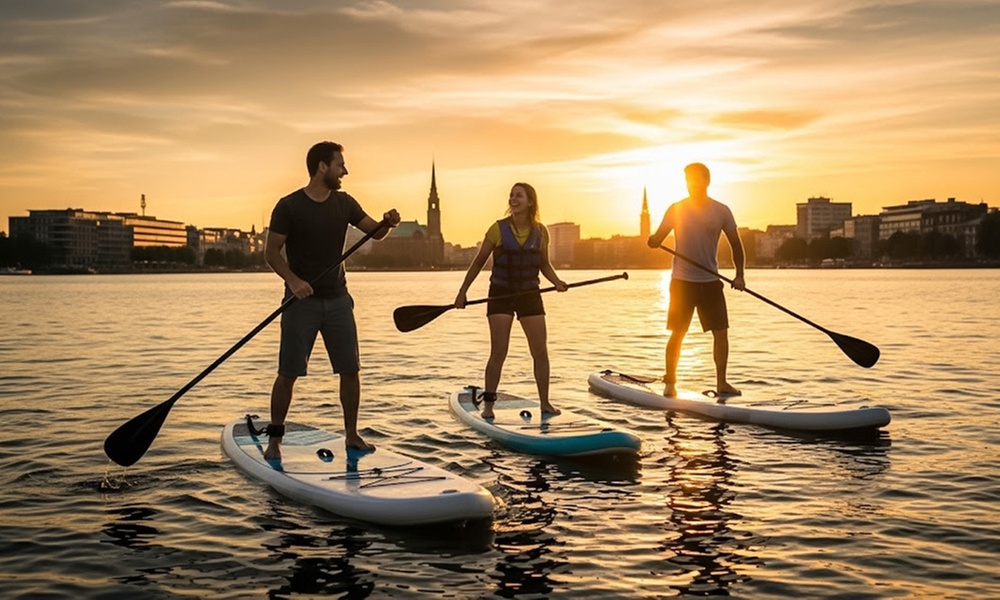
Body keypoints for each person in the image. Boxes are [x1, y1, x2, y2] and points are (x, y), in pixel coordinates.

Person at [262, 141, 400, 461]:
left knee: (350, 370)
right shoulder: (289, 206)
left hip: (338, 300)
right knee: (289, 372)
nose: (345, 171)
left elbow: (375, 232)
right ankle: (275, 440)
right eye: (340, 165)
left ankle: (351, 435)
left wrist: (388, 222)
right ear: (322, 166)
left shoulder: (345, 203)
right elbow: (270, 253)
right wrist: (294, 282)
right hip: (301, 303)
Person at [454, 182, 568, 419]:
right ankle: (488, 407)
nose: (513, 199)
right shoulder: (497, 229)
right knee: (499, 352)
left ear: (529, 202)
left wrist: (557, 281)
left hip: (529, 295)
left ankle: (545, 403)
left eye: (519, 196)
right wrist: (462, 292)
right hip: (501, 295)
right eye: (511, 195)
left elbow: (543, 264)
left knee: (540, 352)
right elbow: (478, 262)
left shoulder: (541, 232)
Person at [648, 162, 745, 398]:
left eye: (695, 179)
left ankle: (722, 383)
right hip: (682, 281)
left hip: (711, 281)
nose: (691, 184)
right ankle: (670, 383)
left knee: (721, 332)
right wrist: (653, 240)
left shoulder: (721, 211)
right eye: (688, 180)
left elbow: (736, 244)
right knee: (678, 332)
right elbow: (658, 237)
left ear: (706, 181)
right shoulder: (676, 209)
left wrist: (740, 275)